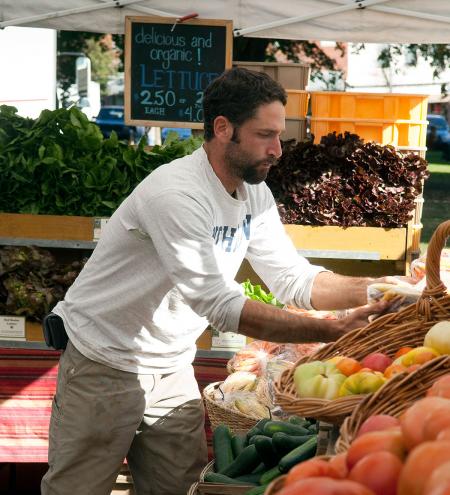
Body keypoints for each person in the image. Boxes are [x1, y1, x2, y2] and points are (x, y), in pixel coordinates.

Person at [41, 68, 405, 495]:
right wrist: (329, 329)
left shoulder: (254, 192)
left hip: (171, 365)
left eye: (279, 136)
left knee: (183, 486)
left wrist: (385, 287)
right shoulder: (176, 195)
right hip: (104, 362)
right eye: (264, 135)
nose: (278, 150)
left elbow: (294, 278)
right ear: (222, 128)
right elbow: (218, 304)